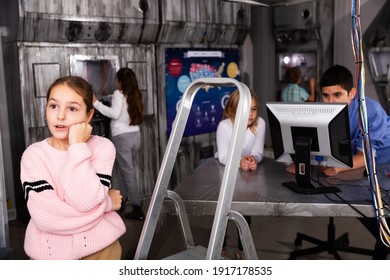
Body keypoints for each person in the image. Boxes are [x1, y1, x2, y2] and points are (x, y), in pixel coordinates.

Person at [287, 64, 390, 259]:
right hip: (360, 164)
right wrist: (303, 162)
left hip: (384, 161)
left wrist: (338, 167)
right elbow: (322, 146)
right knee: (363, 207)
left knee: (381, 219)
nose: (331, 102)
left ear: (351, 93)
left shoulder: (370, 112)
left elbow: (366, 157)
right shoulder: (327, 112)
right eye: (326, 96)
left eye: (337, 95)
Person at [20, 76, 126, 260]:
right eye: (53, 106)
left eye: (72, 108)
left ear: (89, 115)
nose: (60, 115)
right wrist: (107, 203)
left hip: (101, 254)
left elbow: (86, 201)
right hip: (49, 258)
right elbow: (47, 218)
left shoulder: (102, 147)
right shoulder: (33, 155)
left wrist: (77, 145)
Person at [215, 89, 266, 259]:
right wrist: (239, 162)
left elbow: (258, 151)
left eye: (253, 109)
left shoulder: (260, 123)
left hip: (246, 175)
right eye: (245, 109)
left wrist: (253, 159)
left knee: (245, 212)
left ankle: (242, 249)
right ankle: (219, 248)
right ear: (232, 110)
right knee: (222, 212)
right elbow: (223, 155)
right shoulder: (224, 126)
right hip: (225, 172)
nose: (250, 114)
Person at [93, 68, 144, 220]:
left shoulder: (118, 94)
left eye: (116, 79)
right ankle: (121, 202)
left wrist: (95, 103)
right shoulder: (135, 95)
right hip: (136, 136)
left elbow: (114, 114)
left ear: (121, 81)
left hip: (122, 138)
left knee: (127, 172)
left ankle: (137, 208)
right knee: (124, 170)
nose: (115, 82)